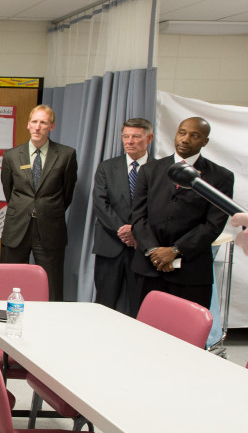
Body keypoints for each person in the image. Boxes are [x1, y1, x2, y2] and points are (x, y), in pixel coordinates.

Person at [131, 117, 234, 309]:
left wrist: (175, 251)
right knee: (144, 332)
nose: (185, 139)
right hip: (148, 269)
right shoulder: (149, 170)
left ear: (205, 141)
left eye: (194, 135)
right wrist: (155, 251)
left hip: (191, 271)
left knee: (185, 335)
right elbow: (138, 217)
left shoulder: (220, 177)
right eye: (182, 132)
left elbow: (213, 224)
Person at [0, 105, 78, 301]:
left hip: (50, 227)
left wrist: (46, 209)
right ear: (28, 125)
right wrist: (26, 208)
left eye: (43, 123)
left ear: (51, 126)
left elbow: (67, 193)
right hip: (17, 226)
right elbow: (9, 191)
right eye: (34, 122)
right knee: (11, 280)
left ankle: (50, 326)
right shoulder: (11, 155)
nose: (37, 127)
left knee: (51, 284)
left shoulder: (66, 155)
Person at [92, 118, 154, 317]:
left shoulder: (159, 169)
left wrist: (136, 231)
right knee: (105, 303)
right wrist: (124, 230)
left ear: (149, 138)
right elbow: (101, 203)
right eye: (125, 136)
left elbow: (159, 208)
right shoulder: (107, 167)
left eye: (136, 136)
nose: (130, 141)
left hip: (142, 246)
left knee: (142, 303)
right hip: (110, 245)